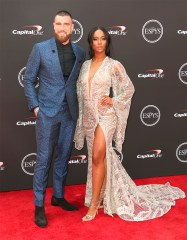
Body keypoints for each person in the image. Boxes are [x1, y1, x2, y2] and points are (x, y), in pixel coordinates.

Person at [74, 27, 185, 222]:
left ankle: (93, 205)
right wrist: (82, 121)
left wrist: (113, 100)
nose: (99, 42)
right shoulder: (84, 66)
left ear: (107, 42)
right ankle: (100, 195)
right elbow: (80, 94)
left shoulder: (114, 65)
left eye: (103, 39)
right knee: (97, 159)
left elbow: (128, 89)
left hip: (107, 117)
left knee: (99, 153)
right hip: (89, 119)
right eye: (95, 39)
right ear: (90, 43)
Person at [24, 10, 86, 227]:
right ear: (53, 26)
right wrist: (35, 107)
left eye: (66, 24)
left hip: (69, 113)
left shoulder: (79, 53)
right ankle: (39, 205)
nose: (62, 28)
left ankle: (58, 196)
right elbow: (29, 79)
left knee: (63, 156)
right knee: (43, 159)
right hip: (46, 113)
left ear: (72, 27)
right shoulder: (40, 49)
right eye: (58, 24)